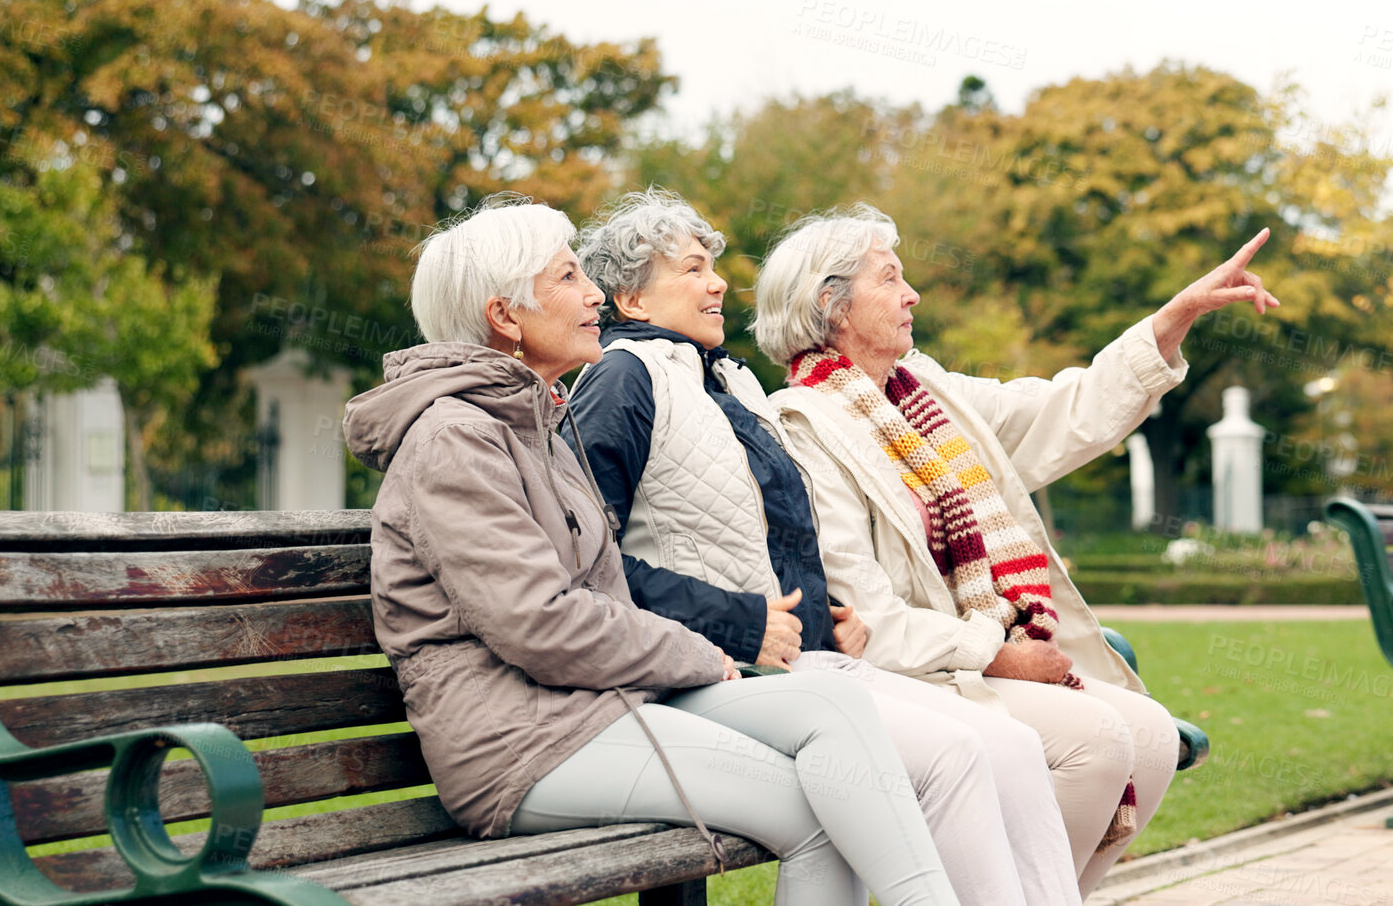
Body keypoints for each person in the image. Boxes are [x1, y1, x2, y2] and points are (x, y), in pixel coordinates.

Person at [342, 194, 959, 906]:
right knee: (823, 817)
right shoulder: (456, 438)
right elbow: (537, 622)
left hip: (594, 705)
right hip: (521, 745)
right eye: (568, 277)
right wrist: (699, 652)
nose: (594, 294)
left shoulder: (533, 420)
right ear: (505, 316)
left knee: (834, 706)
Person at [566, 189, 1081, 906]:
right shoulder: (621, 379)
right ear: (633, 297)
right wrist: (741, 620)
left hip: (806, 656)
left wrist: (826, 610)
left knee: (1013, 747)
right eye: (690, 268)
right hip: (705, 673)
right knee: (952, 757)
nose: (716, 282)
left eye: (712, 264)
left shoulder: (727, 380)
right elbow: (587, 561)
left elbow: (753, 532)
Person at [755, 203, 1280, 894]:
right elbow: (866, 613)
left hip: (985, 657)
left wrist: (1170, 320)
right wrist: (998, 653)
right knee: (1096, 744)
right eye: (889, 278)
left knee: (1150, 738)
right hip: (918, 673)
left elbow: (1070, 408)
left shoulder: (930, 395)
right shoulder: (801, 426)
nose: (912, 294)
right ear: (833, 306)